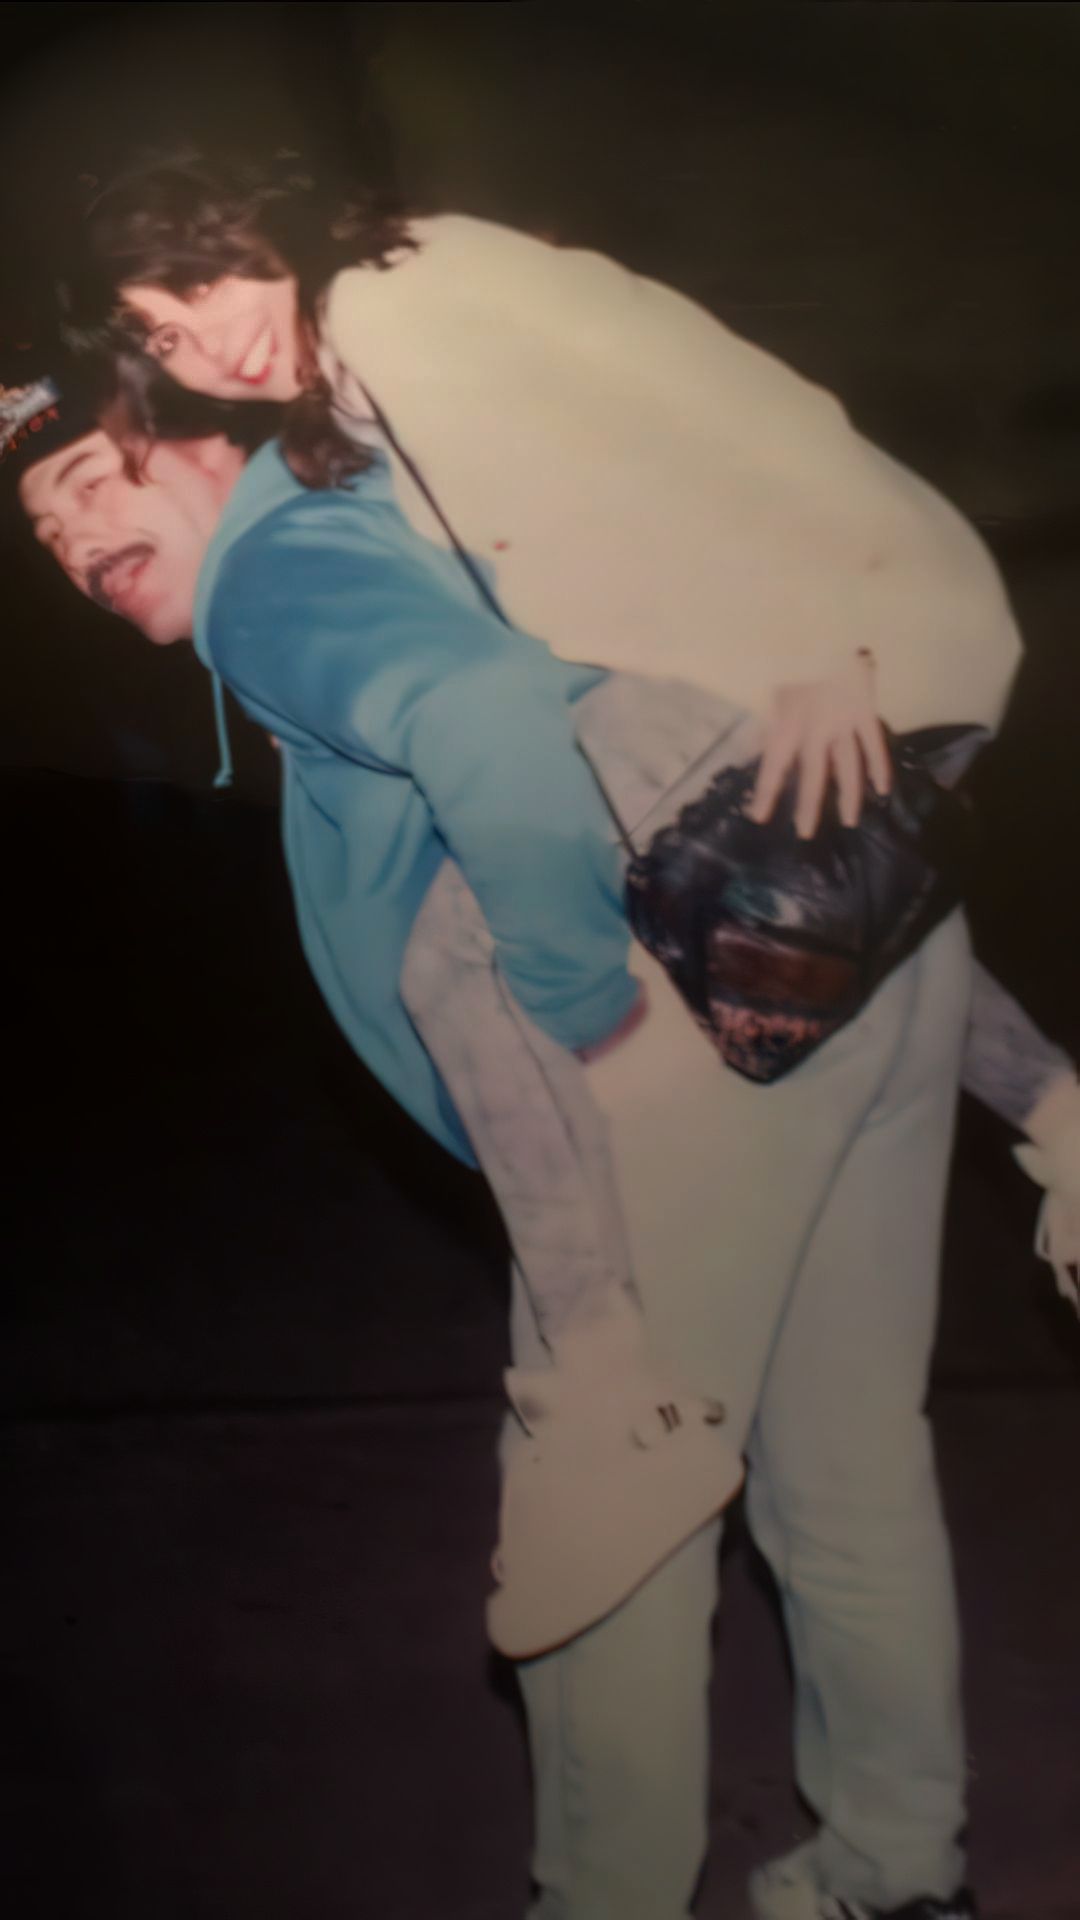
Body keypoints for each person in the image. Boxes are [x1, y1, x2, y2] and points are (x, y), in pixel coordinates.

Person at [6, 348, 1078, 1920]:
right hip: (858, 969)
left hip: (683, 1039)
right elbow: (707, 794)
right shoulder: (411, 508)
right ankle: (896, 1871)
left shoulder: (275, 575)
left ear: (201, 452)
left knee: (615, 1496)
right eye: (37, 530)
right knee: (846, 1471)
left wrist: (583, 999)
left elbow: (492, 720)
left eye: (90, 481)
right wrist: (1030, 1081)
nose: (69, 541)